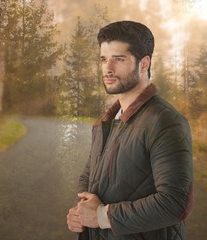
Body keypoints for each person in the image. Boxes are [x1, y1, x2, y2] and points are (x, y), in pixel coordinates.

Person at [66, 20, 194, 240]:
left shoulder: (166, 121)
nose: (108, 68)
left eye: (119, 59)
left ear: (144, 64)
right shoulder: (104, 122)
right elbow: (89, 182)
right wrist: (80, 213)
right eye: (104, 59)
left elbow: (175, 203)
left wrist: (101, 215)